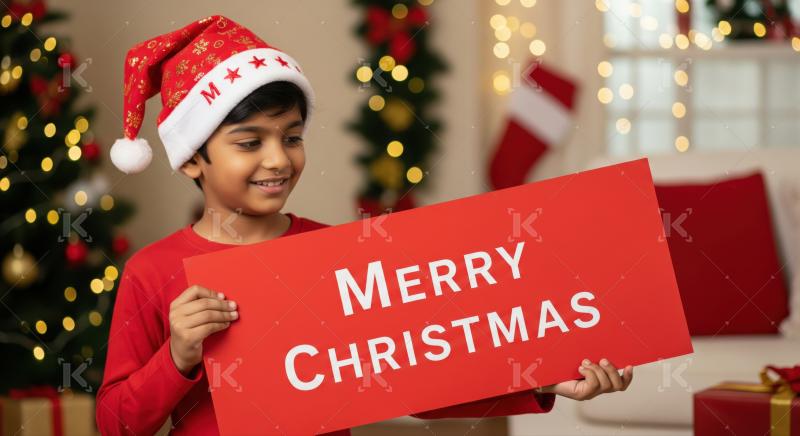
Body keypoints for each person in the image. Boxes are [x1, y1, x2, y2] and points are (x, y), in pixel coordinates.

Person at [96, 15, 633, 436]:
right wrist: (178, 357)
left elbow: (418, 385)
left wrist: (542, 380)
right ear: (193, 158)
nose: (278, 160)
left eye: (292, 136)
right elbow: (116, 424)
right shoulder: (153, 271)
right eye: (249, 142)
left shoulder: (338, 254)